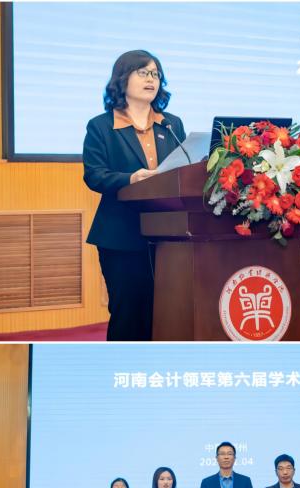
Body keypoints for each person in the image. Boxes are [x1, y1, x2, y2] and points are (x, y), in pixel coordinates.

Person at [82, 50, 187, 341]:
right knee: (128, 314)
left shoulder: (171, 124)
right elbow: (94, 175)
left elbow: (184, 169)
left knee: (168, 312)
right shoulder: (101, 126)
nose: (151, 79)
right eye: (143, 72)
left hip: (169, 236)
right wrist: (131, 179)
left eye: (155, 74)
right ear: (122, 78)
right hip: (120, 235)